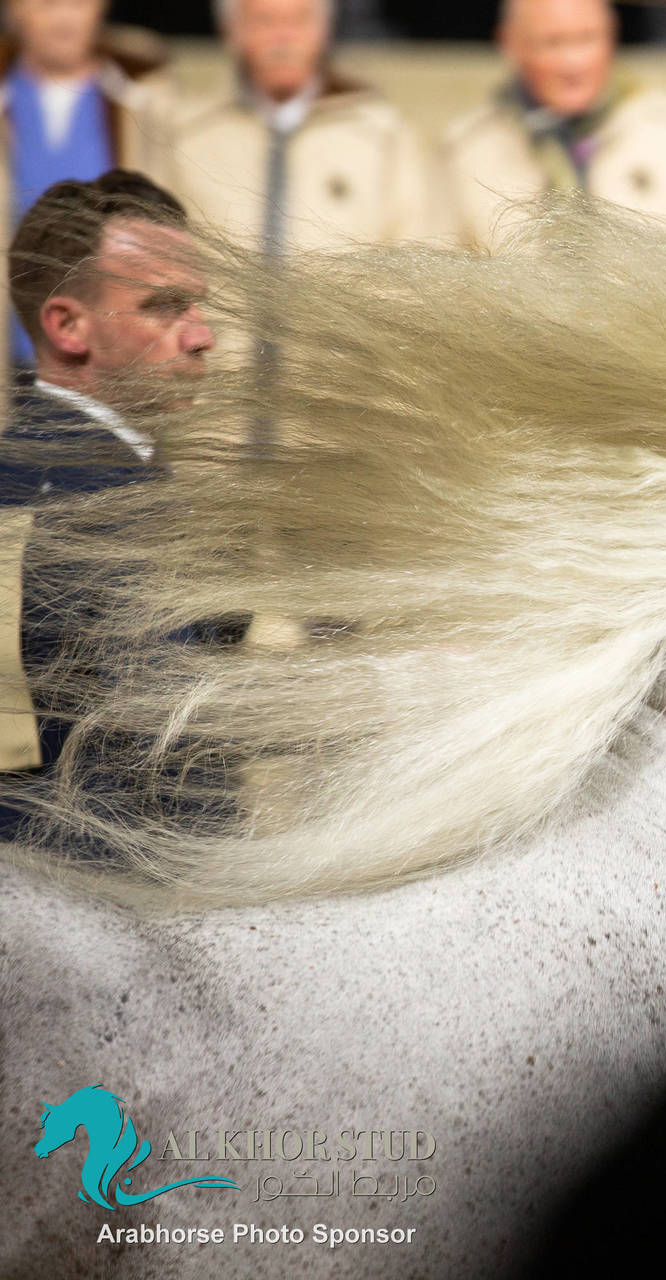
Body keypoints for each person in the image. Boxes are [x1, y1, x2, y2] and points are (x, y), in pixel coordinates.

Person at [0, 169, 223, 835]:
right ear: (69, 325)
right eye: (165, 306)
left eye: (199, 306)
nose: (202, 336)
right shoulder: (110, 507)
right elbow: (170, 773)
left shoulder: (27, 470)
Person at [441, 0, 666, 251]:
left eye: (587, 38)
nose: (573, 64)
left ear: (611, 35)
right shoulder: (467, 147)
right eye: (553, 43)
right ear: (511, 43)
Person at [165, 0, 436, 255]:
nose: (283, 37)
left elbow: (419, 250)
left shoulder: (384, 136)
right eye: (264, 21)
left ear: (325, 28)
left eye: (299, 19)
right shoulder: (186, 135)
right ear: (231, 32)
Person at [1, 0, 176, 371]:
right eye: (46, 5)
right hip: (15, 353)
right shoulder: (9, 98)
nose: (63, 18)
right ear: (13, 10)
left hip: (116, 354)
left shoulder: (144, 100)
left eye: (78, 3)